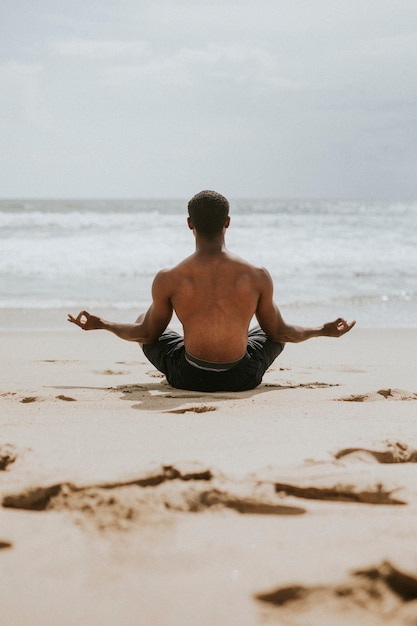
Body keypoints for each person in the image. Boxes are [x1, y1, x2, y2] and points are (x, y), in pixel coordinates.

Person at [68, 190, 355, 392]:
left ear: (189, 224)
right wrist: (322, 330)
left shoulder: (170, 278)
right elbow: (280, 333)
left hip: (189, 377)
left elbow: (145, 335)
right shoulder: (256, 276)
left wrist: (102, 324)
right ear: (227, 222)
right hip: (242, 377)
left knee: (145, 319)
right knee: (270, 328)